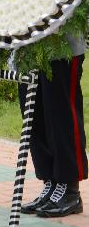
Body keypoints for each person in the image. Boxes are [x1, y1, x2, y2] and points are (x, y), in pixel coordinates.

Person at [19, 34, 86, 217]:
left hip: (62, 45)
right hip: (26, 48)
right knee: (34, 117)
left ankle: (69, 189)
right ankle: (51, 183)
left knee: (61, 117)